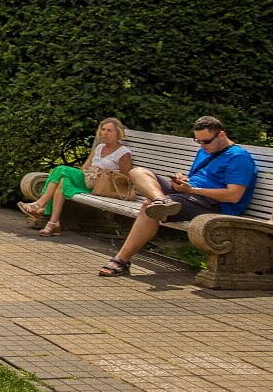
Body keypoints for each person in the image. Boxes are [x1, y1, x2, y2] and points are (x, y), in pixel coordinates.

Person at [98, 116, 257, 278]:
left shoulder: (238, 158)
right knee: (137, 172)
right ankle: (161, 201)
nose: (202, 146)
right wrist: (181, 181)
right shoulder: (205, 151)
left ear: (221, 135)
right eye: (198, 141)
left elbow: (233, 196)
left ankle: (121, 260)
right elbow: (198, 178)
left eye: (206, 142)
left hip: (213, 204)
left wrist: (192, 190)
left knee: (149, 207)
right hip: (189, 194)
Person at [19, 117, 134, 236]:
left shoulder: (123, 152)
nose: (105, 133)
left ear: (118, 133)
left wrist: (105, 171)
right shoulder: (99, 148)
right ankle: (53, 223)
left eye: (110, 130)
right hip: (88, 181)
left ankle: (40, 205)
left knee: (61, 169)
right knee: (63, 180)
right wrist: (91, 170)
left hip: (102, 187)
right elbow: (84, 169)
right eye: (103, 129)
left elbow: (126, 178)